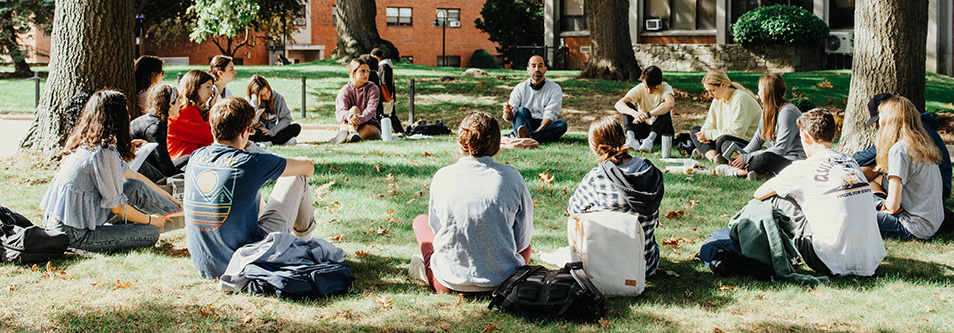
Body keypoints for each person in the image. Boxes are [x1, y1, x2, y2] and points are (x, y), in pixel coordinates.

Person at [184, 97, 317, 279]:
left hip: (206, 265)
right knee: (296, 177)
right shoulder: (250, 163)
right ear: (246, 131)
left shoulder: (196, 157)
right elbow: (308, 167)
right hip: (246, 261)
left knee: (251, 190)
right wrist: (251, 146)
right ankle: (307, 243)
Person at [41, 90, 181, 252]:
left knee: (135, 186)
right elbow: (117, 207)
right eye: (126, 111)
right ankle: (185, 219)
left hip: (62, 220)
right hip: (73, 234)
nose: (129, 115)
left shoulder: (87, 140)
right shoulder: (102, 153)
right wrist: (150, 220)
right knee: (150, 233)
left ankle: (182, 216)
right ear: (118, 117)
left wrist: (168, 197)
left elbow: (133, 176)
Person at [410, 112, 533, 294]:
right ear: (497, 144)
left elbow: (438, 232)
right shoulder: (512, 177)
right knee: (526, 247)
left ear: (461, 143)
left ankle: (425, 267)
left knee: (421, 222)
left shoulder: (442, 176)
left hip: (449, 282)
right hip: (503, 282)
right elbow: (522, 241)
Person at [752, 109, 885, 276]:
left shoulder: (803, 168)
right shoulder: (850, 161)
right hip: (870, 259)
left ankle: (775, 251)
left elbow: (759, 193)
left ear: (806, 136)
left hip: (828, 260)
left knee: (774, 199)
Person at [567, 116, 664, 280]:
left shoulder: (596, 179)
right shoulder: (650, 172)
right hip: (646, 265)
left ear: (594, 146)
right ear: (623, 138)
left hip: (608, 268)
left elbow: (573, 210)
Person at [852, 93, 951, 201]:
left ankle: (882, 204)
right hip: (933, 187)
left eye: (878, 121)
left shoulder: (908, 134)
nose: (877, 127)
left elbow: (860, 158)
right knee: (875, 169)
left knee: (870, 174)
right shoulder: (916, 126)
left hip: (934, 191)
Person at [869, 96, 944, 240]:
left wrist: (881, 204)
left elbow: (893, 207)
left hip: (911, 226)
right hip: (931, 223)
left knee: (851, 211)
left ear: (889, 122)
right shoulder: (922, 146)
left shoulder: (899, 150)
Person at [714, 73, 805, 179]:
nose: (758, 93)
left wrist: (747, 158)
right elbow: (757, 140)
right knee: (727, 144)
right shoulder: (767, 111)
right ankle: (761, 174)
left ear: (767, 91)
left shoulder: (788, 112)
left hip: (791, 160)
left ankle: (737, 172)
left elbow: (780, 149)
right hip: (774, 155)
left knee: (764, 158)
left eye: (760, 89)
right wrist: (742, 155)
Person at [689, 70, 762, 163]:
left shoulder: (740, 98)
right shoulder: (718, 99)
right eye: (708, 91)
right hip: (724, 137)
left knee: (723, 141)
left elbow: (737, 132)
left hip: (748, 142)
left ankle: (708, 153)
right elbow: (710, 124)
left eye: (712, 90)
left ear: (723, 85)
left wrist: (708, 134)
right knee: (695, 131)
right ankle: (714, 158)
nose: (710, 95)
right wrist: (703, 134)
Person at [502, 55, 567, 143]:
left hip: (543, 124)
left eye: (540, 66)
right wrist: (508, 112)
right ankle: (533, 137)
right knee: (521, 111)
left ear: (545, 69)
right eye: (533, 66)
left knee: (562, 125)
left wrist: (537, 131)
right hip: (524, 122)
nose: (537, 69)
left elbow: (549, 114)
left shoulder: (555, 88)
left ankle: (524, 137)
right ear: (528, 70)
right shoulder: (519, 88)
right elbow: (509, 117)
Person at [613, 66, 675, 152]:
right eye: (646, 87)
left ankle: (650, 140)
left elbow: (670, 104)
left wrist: (648, 115)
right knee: (627, 105)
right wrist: (635, 114)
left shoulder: (665, 87)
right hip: (643, 129)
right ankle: (632, 140)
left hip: (660, 132)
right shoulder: (640, 88)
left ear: (659, 84)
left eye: (653, 88)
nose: (649, 91)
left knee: (664, 106)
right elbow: (618, 104)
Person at [130, 84, 181, 181]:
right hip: (141, 171)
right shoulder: (154, 127)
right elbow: (165, 166)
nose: (180, 104)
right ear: (170, 104)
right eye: (178, 101)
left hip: (148, 166)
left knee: (187, 158)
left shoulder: (155, 120)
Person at [167, 70, 216, 164]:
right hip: (183, 163)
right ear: (195, 87)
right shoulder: (184, 112)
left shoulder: (192, 109)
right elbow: (212, 134)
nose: (211, 92)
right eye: (208, 87)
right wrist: (213, 109)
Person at [330, 57, 381, 143]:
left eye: (367, 71)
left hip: (370, 125)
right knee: (354, 109)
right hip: (348, 124)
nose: (366, 74)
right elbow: (340, 113)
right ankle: (352, 134)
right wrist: (350, 116)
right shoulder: (344, 91)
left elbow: (370, 111)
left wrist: (357, 119)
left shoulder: (373, 89)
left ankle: (348, 137)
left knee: (366, 129)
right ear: (353, 73)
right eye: (363, 71)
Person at [246, 75, 301, 146]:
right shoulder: (250, 102)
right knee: (249, 135)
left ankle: (270, 143)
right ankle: (282, 141)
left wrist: (273, 131)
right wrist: (255, 104)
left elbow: (286, 119)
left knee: (296, 128)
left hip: (274, 132)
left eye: (268, 92)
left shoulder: (278, 98)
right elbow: (250, 124)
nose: (267, 96)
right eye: (263, 95)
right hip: (259, 133)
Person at [371, 48, 396, 120]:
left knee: (388, 112)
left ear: (376, 57)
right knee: (390, 111)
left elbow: (383, 80)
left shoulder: (383, 66)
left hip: (386, 91)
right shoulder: (386, 65)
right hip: (389, 90)